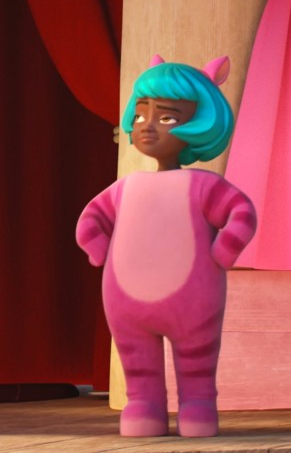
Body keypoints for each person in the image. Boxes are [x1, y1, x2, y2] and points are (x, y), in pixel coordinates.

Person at [75, 55, 256, 438]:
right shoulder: (125, 188)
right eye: (141, 115)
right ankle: (143, 408)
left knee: (197, 363)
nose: (147, 126)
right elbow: (91, 219)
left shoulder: (203, 186)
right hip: (126, 302)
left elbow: (241, 213)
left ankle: (198, 408)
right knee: (137, 366)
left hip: (194, 301)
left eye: (167, 118)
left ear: (202, 124)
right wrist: (98, 249)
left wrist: (224, 251)